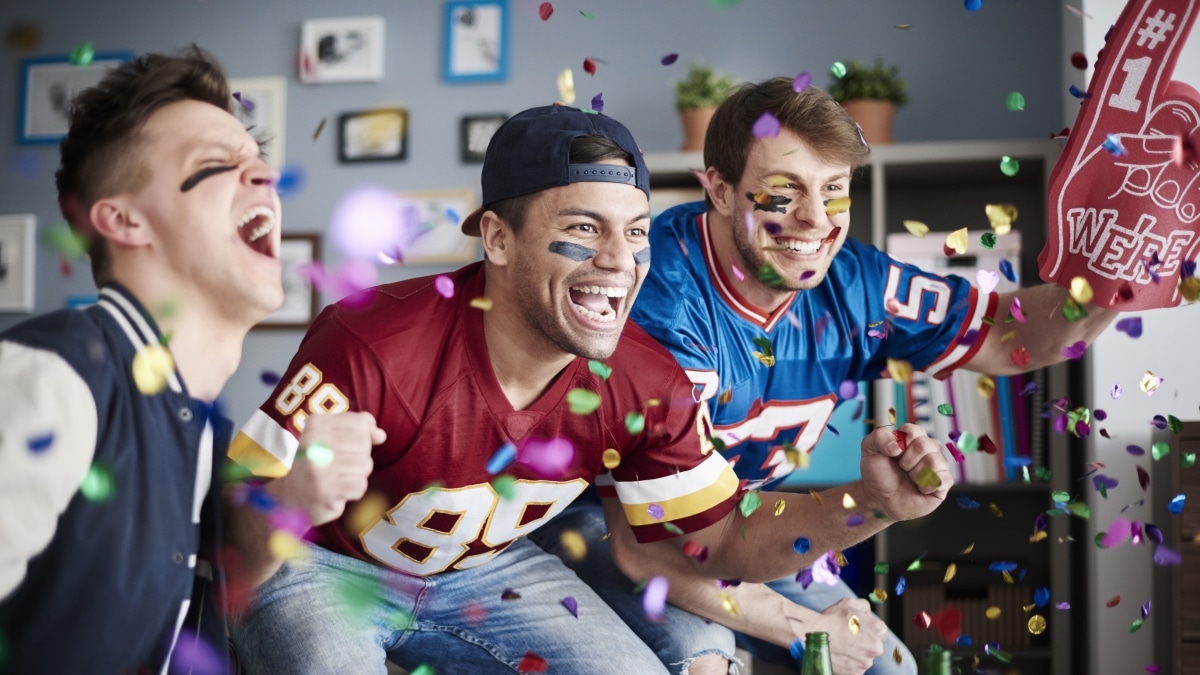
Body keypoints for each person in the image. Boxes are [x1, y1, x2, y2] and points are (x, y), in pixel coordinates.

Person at [221, 104, 955, 675]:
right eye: (583, 227)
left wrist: (870, 500)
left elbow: (719, 540)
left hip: (490, 567)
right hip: (324, 562)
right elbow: (239, 521)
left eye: (635, 233)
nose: (619, 262)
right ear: (497, 239)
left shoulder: (643, 378)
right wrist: (288, 500)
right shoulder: (371, 343)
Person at [532, 77, 1119, 675]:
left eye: (833, 190)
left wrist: (1126, 268)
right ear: (721, 189)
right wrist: (812, 631)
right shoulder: (654, 299)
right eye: (783, 194)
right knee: (703, 662)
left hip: (745, 519)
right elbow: (651, 548)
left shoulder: (855, 284)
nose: (815, 220)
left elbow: (1010, 335)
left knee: (889, 665)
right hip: (608, 521)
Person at [0, 46, 283, 673]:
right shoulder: (54, 378)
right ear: (124, 220)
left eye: (259, 161)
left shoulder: (204, 428)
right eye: (217, 164)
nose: (264, 175)